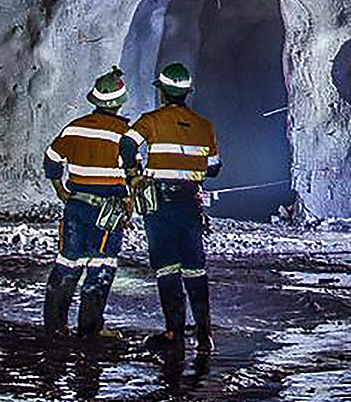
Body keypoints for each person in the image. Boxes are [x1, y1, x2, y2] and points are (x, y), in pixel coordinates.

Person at [124, 63, 221, 350]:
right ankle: (204, 334)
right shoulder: (205, 126)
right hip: (190, 202)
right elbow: (214, 168)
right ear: (186, 93)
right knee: (195, 266)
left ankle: (173, 333)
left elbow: (127, 145)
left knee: (166, 266)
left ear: (163, 93)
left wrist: (135, 173)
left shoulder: (151, 120)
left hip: (160, 203)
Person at [41, 67, 136, 338]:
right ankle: (90, 329)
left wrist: (60, 189)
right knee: (101, 265)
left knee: (67, 262)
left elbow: (51, 160)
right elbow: (134, 174)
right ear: (120, 102)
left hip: (76, 206)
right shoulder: (125, 134)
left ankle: (55, 327)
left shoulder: (74, 128)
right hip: (108, 210)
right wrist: (129, 203)